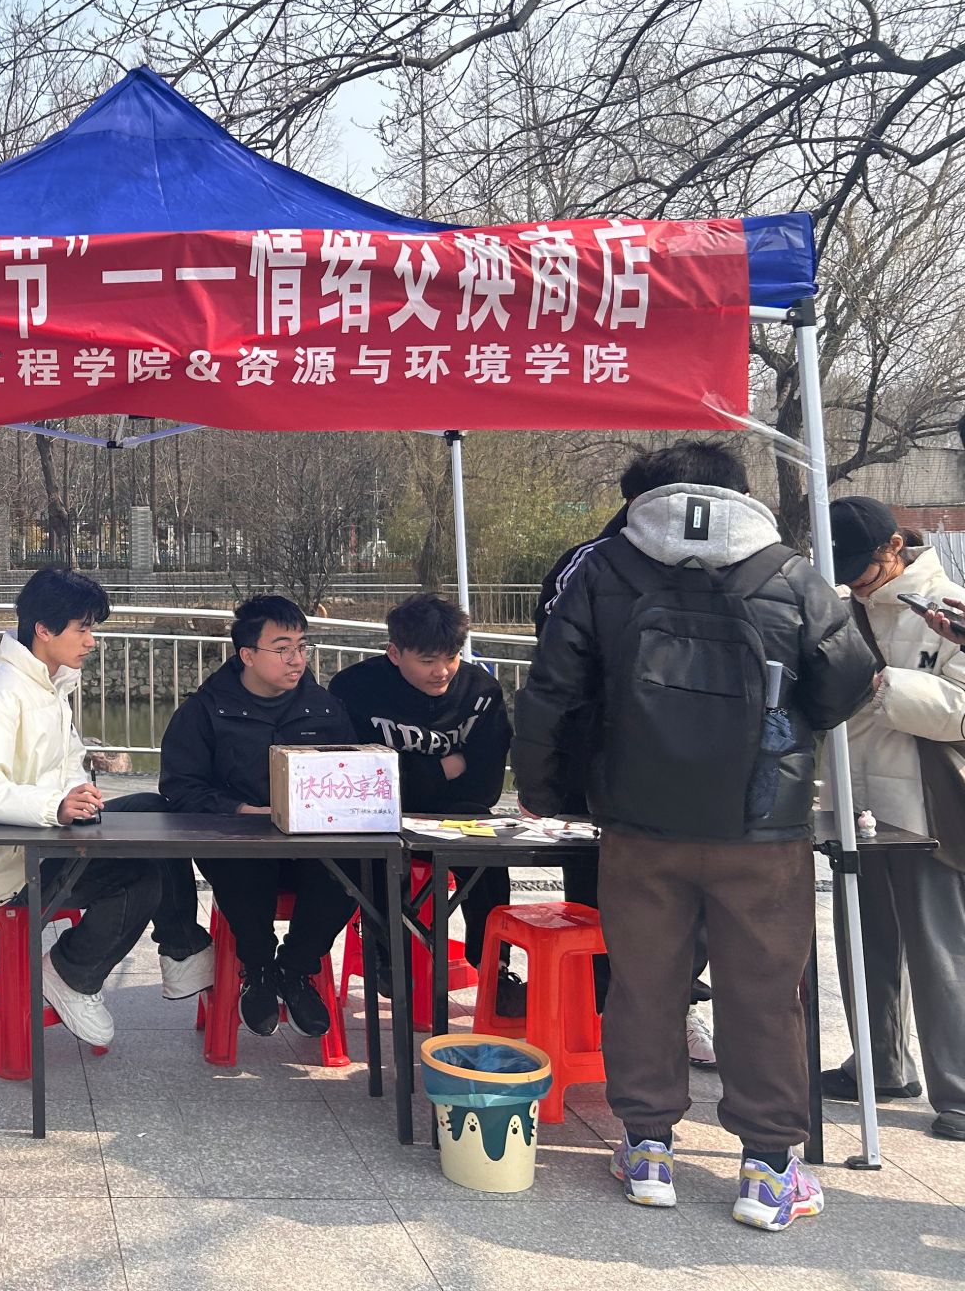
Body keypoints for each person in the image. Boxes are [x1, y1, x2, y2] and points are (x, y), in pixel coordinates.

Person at [514, 440, 875, 1230]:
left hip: (640, 823)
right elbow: (850, 676)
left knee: (645, 985)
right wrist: (792, 725)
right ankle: (768, 1170)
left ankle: (647, 1150)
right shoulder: (789, 572)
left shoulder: (605, 569)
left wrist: (548, 791)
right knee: (764, 993)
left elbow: (552, 689)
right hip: (762, 826)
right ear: (737, 494)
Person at [0, 567, 212, 1047]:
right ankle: (70, 972)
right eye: (82, 628)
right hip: (8, 869)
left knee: (155, 812)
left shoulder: (49, 687)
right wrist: (56, 805)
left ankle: (182, 948)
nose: (91, 641)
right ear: (43, 629)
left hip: (46, 837)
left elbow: (67, 762)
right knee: (140, 878)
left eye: (92, 629)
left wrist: (76, 796)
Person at [537, 448, 716, 1063]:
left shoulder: (724, 561)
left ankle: (680, 1006)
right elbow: (557, 670)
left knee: (694, 897)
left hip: (697, 764)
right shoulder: (591, 563)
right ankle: (606, 1015)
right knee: (606, 898)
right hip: (608, 765)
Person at [821, 495, 965, 1142]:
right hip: (853, 800)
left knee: (940, 952)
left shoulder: (950, 606)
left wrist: (887, 685)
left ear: (893, 548)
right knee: (862, 939)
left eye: (863, 565)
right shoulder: (837, 607)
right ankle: (879, 1065)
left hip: (928, 805)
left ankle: (959, 1091)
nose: (855, 579)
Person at [159, 594, 362, 1043]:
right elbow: (179, 788)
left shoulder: (325, 708)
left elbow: (350, 773)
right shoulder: (206, 710)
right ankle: (257, 969)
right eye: (283, 648)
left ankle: (295, 969)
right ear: (247, 655)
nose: (297, 660)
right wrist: (239, 811)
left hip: (310, 848)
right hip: (240, 842)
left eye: (302, 647)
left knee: (357, 865)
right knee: (243, 862)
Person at [330, 593, 521, 1016]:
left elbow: (485, 785)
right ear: (394, 653)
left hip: (458, 813)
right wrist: (446, 767)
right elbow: (356, 778)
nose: (442, 671)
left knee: (488, 854)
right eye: (428, 660)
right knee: (376, 854)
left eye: (451, 657)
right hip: (378, 815)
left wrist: (408, 771)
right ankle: (387, 953)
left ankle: (494, 967)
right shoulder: (355, 689)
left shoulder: (481, 691)